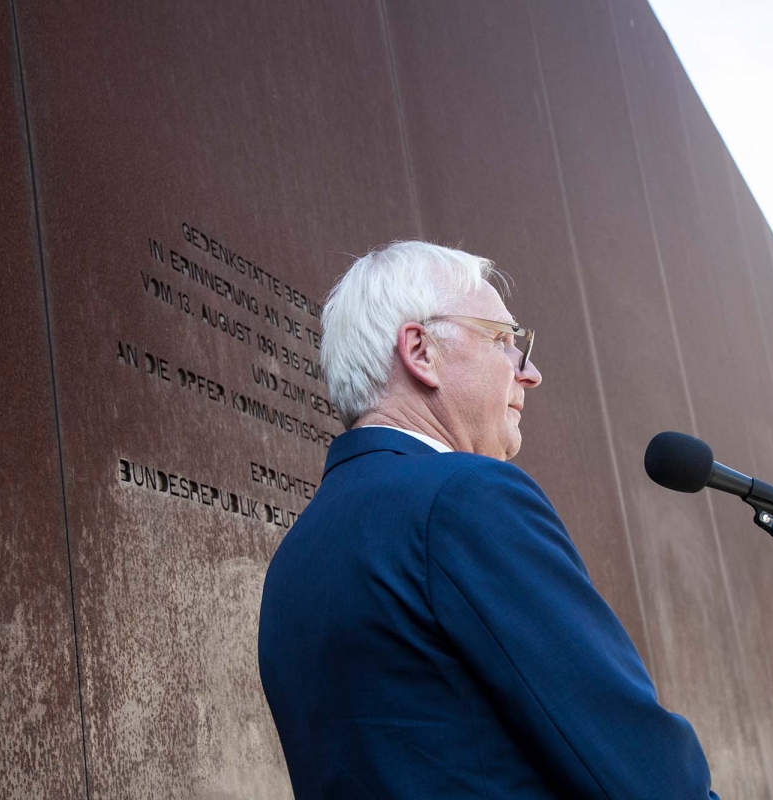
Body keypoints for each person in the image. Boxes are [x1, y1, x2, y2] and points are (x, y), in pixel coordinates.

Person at [258, 242, 721, 799]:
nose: (531, 372)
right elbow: (639, 768)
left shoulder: (293, 558)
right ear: (421, 351)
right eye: (504, 341)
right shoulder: (466, 496)